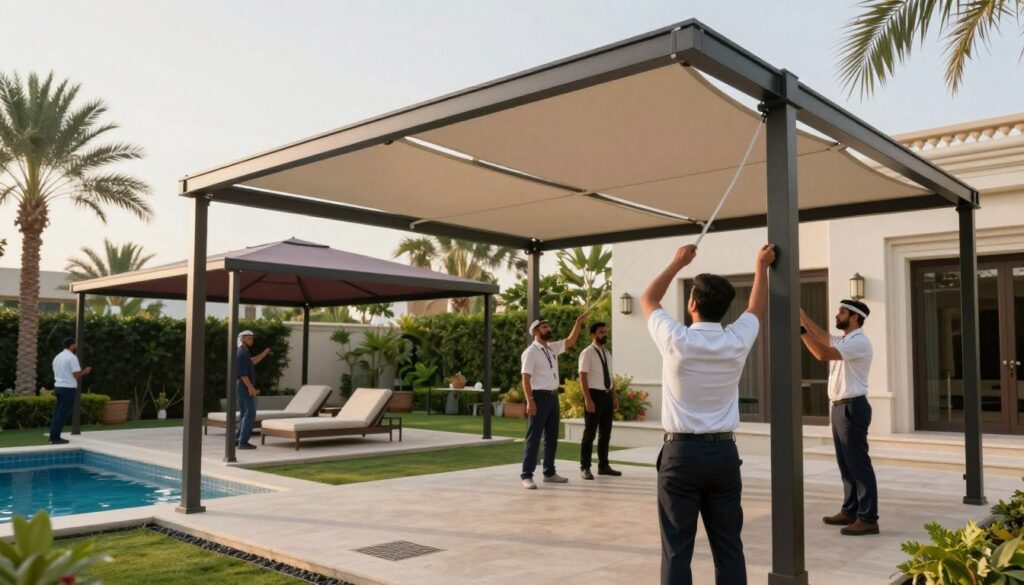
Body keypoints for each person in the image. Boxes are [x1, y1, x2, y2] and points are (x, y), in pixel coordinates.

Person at [642, 243, 775, 585]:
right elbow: (757, 308)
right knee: (729, 544)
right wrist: (760, 266)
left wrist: (676, 263)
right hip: (723, 455)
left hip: (681, 455)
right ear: (724, 307)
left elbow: (648, 299)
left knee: (676, 548)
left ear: (692, 304)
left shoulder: (676, 339)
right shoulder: (735, 340)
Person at [800, 299, 879, 536]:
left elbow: (823, 353)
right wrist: (802, 315)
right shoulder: (846, 340)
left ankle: (868, 517)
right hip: (840, 408)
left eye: (841, 312)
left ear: (854, 317)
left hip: (852, 409)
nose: (837, 315)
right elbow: (824, 337)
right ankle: (850, 510)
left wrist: (800, 331)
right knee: (846, 464)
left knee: (858, 464)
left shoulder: (860, 342)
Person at [519, 312, 587, 489]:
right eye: (544, 327)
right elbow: (525, 378)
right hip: (539, 397)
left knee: (552, 437)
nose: (548, 329)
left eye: (548, 326)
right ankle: (527, 475)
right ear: (535, 331)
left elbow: (570, 341)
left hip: (552, 396)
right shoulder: (531, 352)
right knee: (534, 438)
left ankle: (549, 472)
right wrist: (530, 400)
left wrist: (578, 323)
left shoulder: (551, 348)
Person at [578, 321, 621, 480]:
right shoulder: (587, 353)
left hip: (607, 395)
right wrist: (588, 399)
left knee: (605, 433)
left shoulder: (607, 353)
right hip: (593, 395)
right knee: (589, 434)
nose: (605, 334)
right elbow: (582, 376)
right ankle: (585, 467)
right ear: (593, 335)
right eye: (601, 332)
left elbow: (610, 376)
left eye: (605, 331)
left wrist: (614, 397)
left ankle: (603, 465)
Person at [50, 337, 91, 444]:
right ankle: (55, 438)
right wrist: (85, 372)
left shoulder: (57, 357)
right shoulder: (72, 357)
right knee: (62, 414)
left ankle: (53, 436)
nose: (77, 346)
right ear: (72, 345)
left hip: (58, 387)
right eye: (76, 344)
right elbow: (76, 374)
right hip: (67, 389)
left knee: (58, 413)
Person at [235, 330, 272, 450]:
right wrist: (250, 387)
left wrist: (264, 353)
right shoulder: (241, 353)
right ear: (242, 340)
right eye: (249, 339)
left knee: (244, 413)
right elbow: (242, 374)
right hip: (244, 385)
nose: (252, 341)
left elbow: (253, 361)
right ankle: (243, 442)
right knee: (250, 412)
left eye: (252, 338)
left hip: (243, 385)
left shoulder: (245, 353)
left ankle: (237, 440)